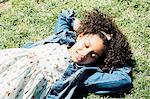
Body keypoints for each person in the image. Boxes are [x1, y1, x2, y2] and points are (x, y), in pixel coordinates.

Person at [23, 9, 134, 98]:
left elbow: (124, 80)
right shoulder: (64, 38)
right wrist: (77, 25)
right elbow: (64, 16)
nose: (85, 54)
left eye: (93, 55)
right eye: (86, 45)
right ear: (80, 36)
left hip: (28, 87)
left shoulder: (82, 75)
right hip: (17, 62)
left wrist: (115, 57)